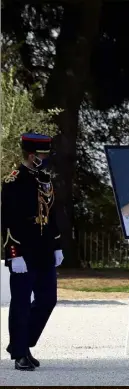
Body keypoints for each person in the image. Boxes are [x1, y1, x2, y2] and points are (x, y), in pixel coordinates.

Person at [1, 132, 64, 371]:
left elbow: (52, 214)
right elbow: (6, 220)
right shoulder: (13, 181)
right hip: (23, 252)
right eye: (42, 154)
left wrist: (57, 245)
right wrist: (14, 253)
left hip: (45, 249)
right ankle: (20, 354)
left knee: (48, 299)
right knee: (21, 303)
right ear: (31, 155)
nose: (46, 158)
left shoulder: (44, 178)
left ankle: (23, 343)